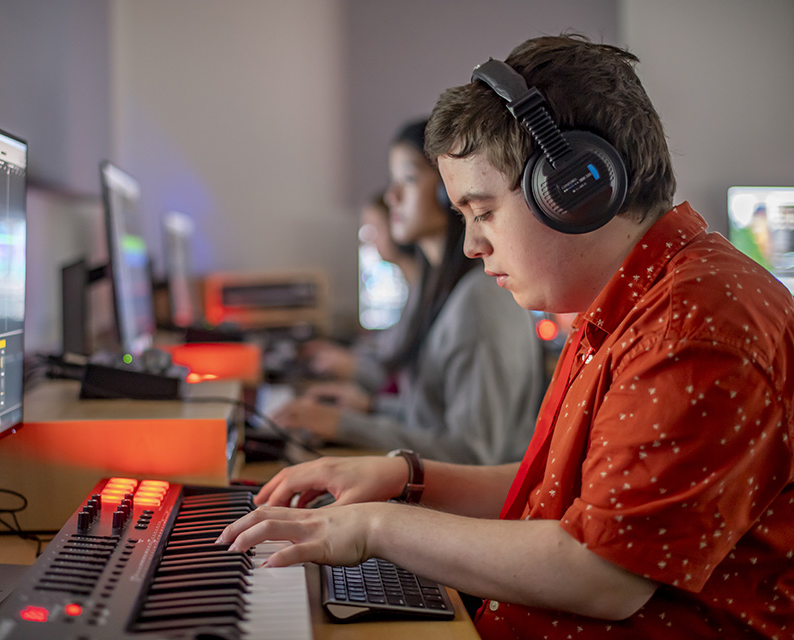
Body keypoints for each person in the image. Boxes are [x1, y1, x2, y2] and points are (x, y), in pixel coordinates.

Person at [219, 34, 794, 638]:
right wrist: (405, 479)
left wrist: (373, 528)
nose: (471, 245)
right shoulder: (635, 299)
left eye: (484, 211)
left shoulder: (690, 329)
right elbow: (557, 495)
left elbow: (602, 573)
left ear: (576, 189)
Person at [274, 119, 546, 465]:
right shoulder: (436, 286)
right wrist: (371, 408)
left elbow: (474, 454)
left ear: (449, 189)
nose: (392, 197)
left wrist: (345, 425)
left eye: (408, 179)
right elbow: (431, 414)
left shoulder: (479, 301)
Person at [300, 191, 420, 390]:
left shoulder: (422, 294)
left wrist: (351, 367)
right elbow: (385, 351)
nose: (369, 241)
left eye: (374, 230)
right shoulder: (413, 290)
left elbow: (402, 383)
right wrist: (344, 355)